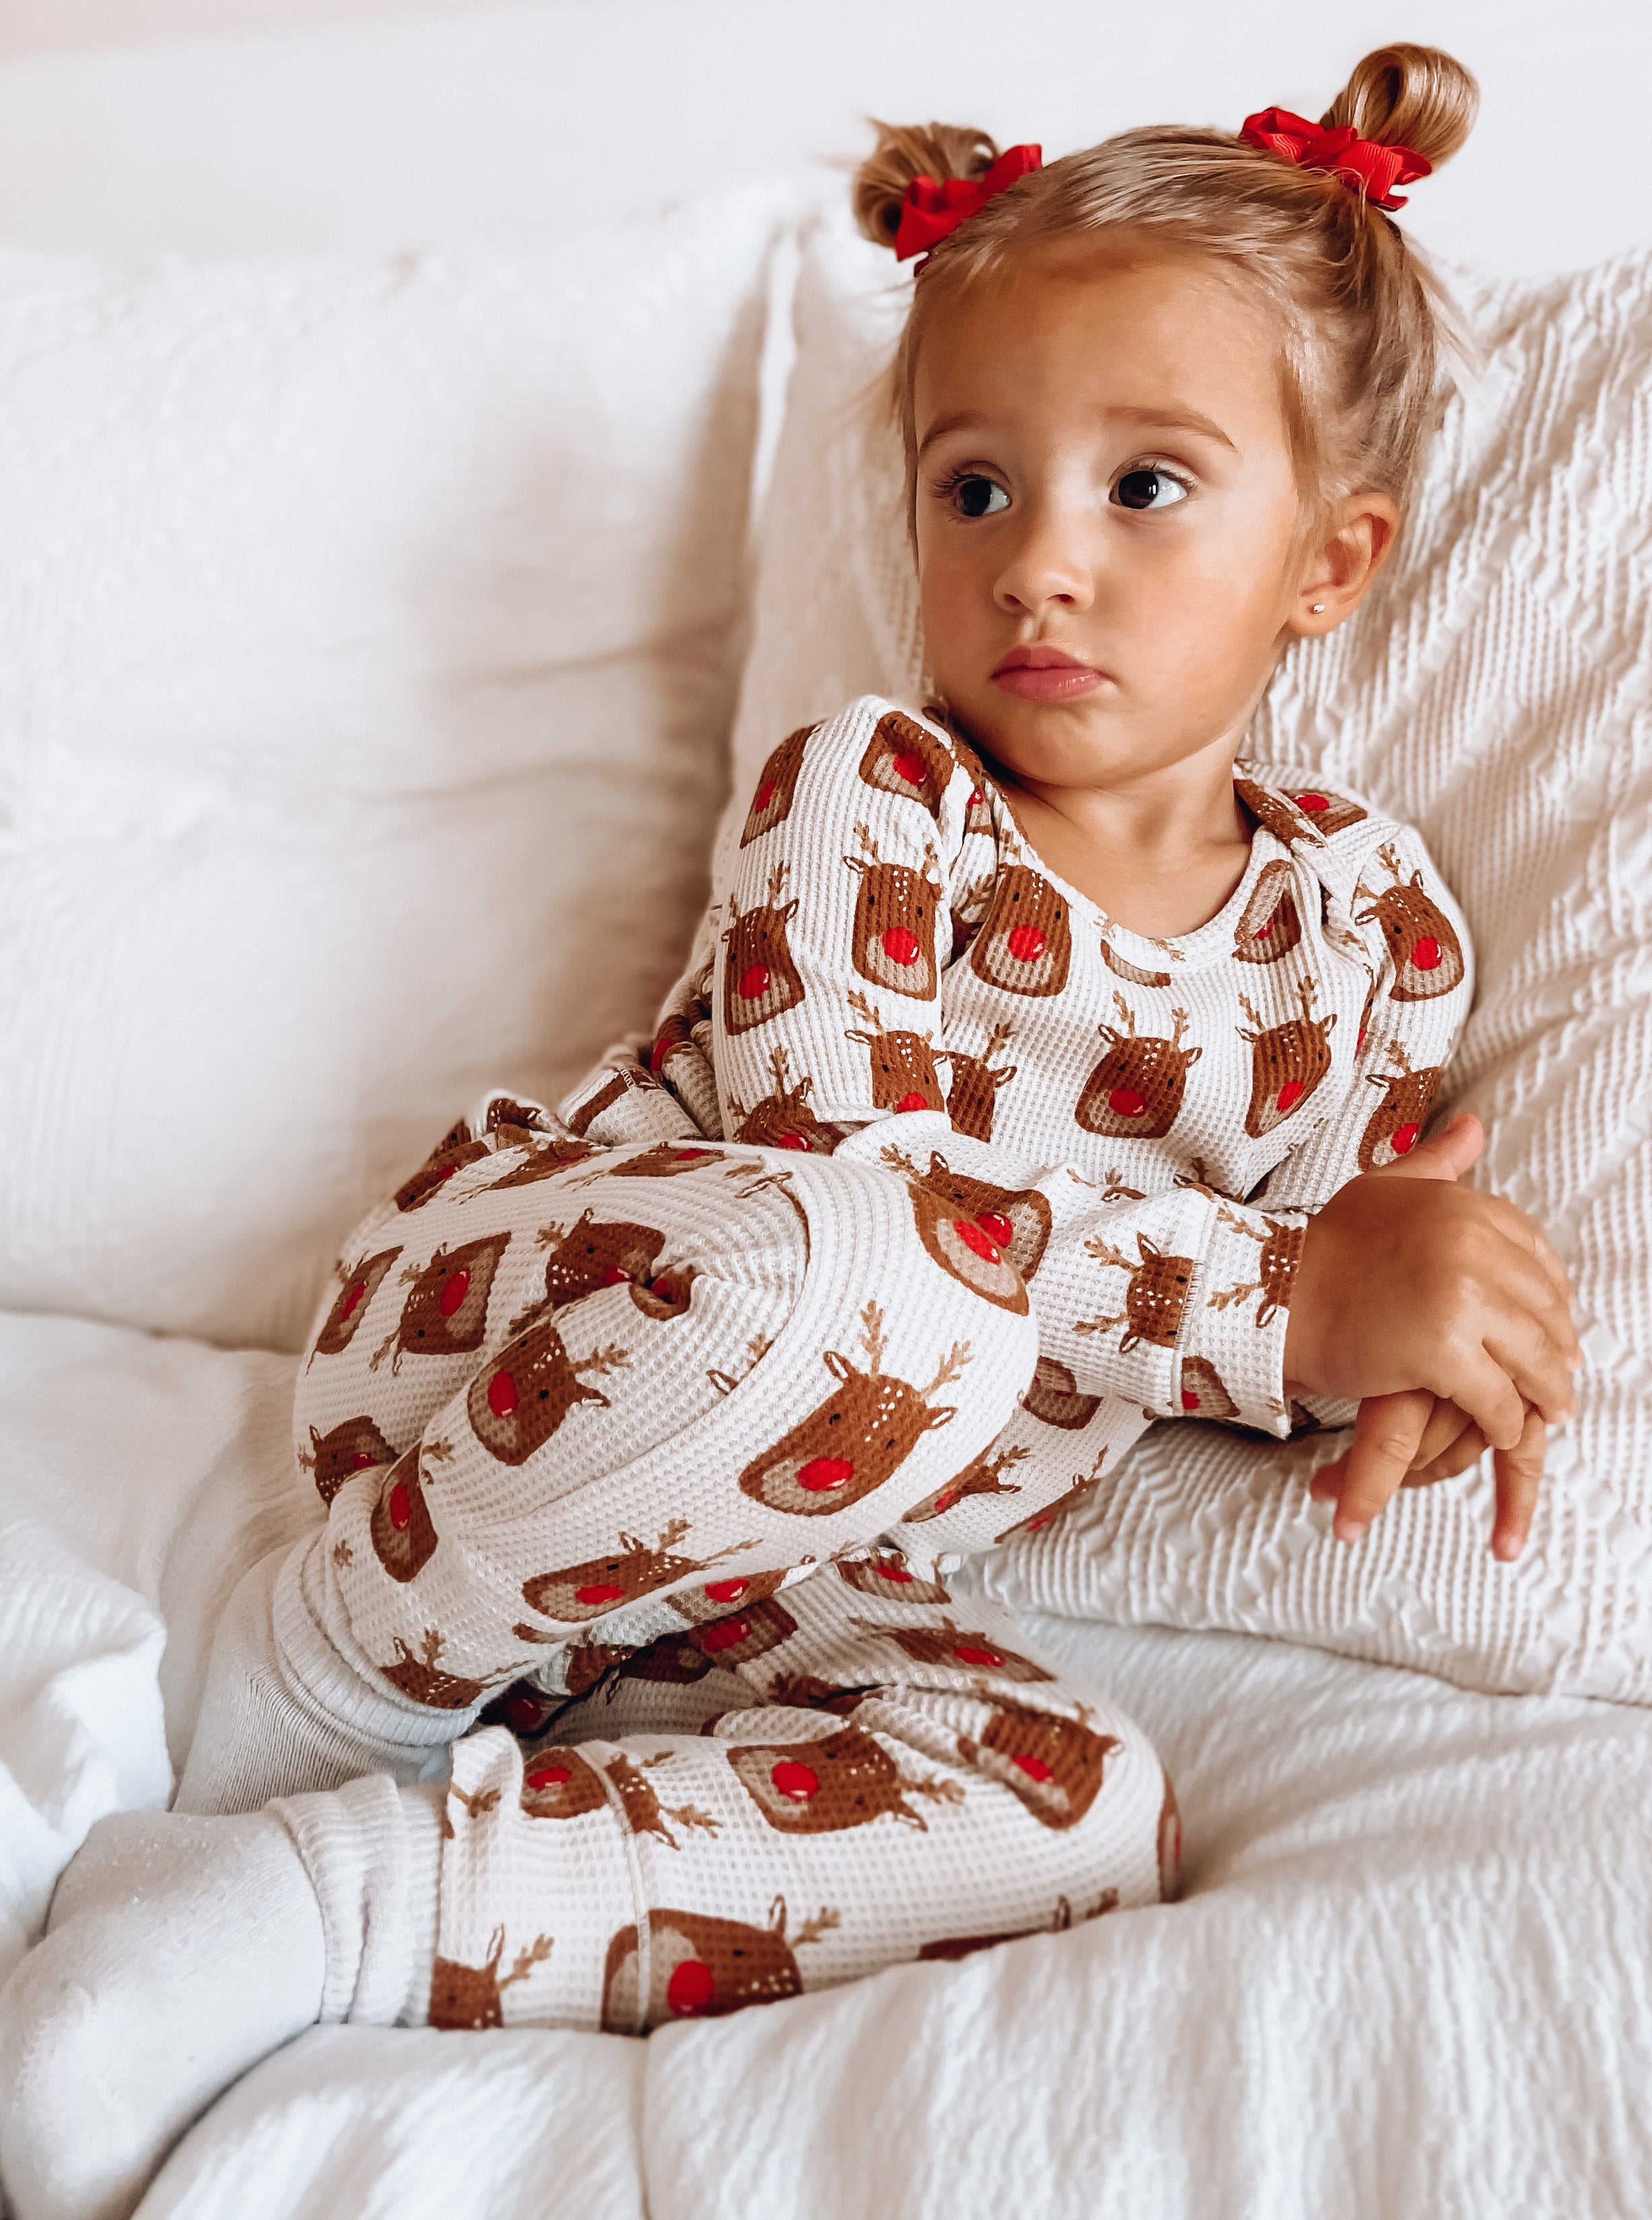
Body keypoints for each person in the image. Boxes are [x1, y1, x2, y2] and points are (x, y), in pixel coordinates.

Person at [0, 44, 1581, 2220]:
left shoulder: (1368, 932)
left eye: (1144, 486)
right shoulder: (874, 796)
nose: (1039, 563)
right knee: (891, 1288)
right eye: (975, 488)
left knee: (1080, 1810)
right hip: (521, 1347)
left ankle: (325, 1904)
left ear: (1331, 563)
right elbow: (873, 1192)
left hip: (798, 1561)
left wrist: (1388, 1333)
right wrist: (1292, 1299)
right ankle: (330, 1666)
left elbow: (1312, 1284)